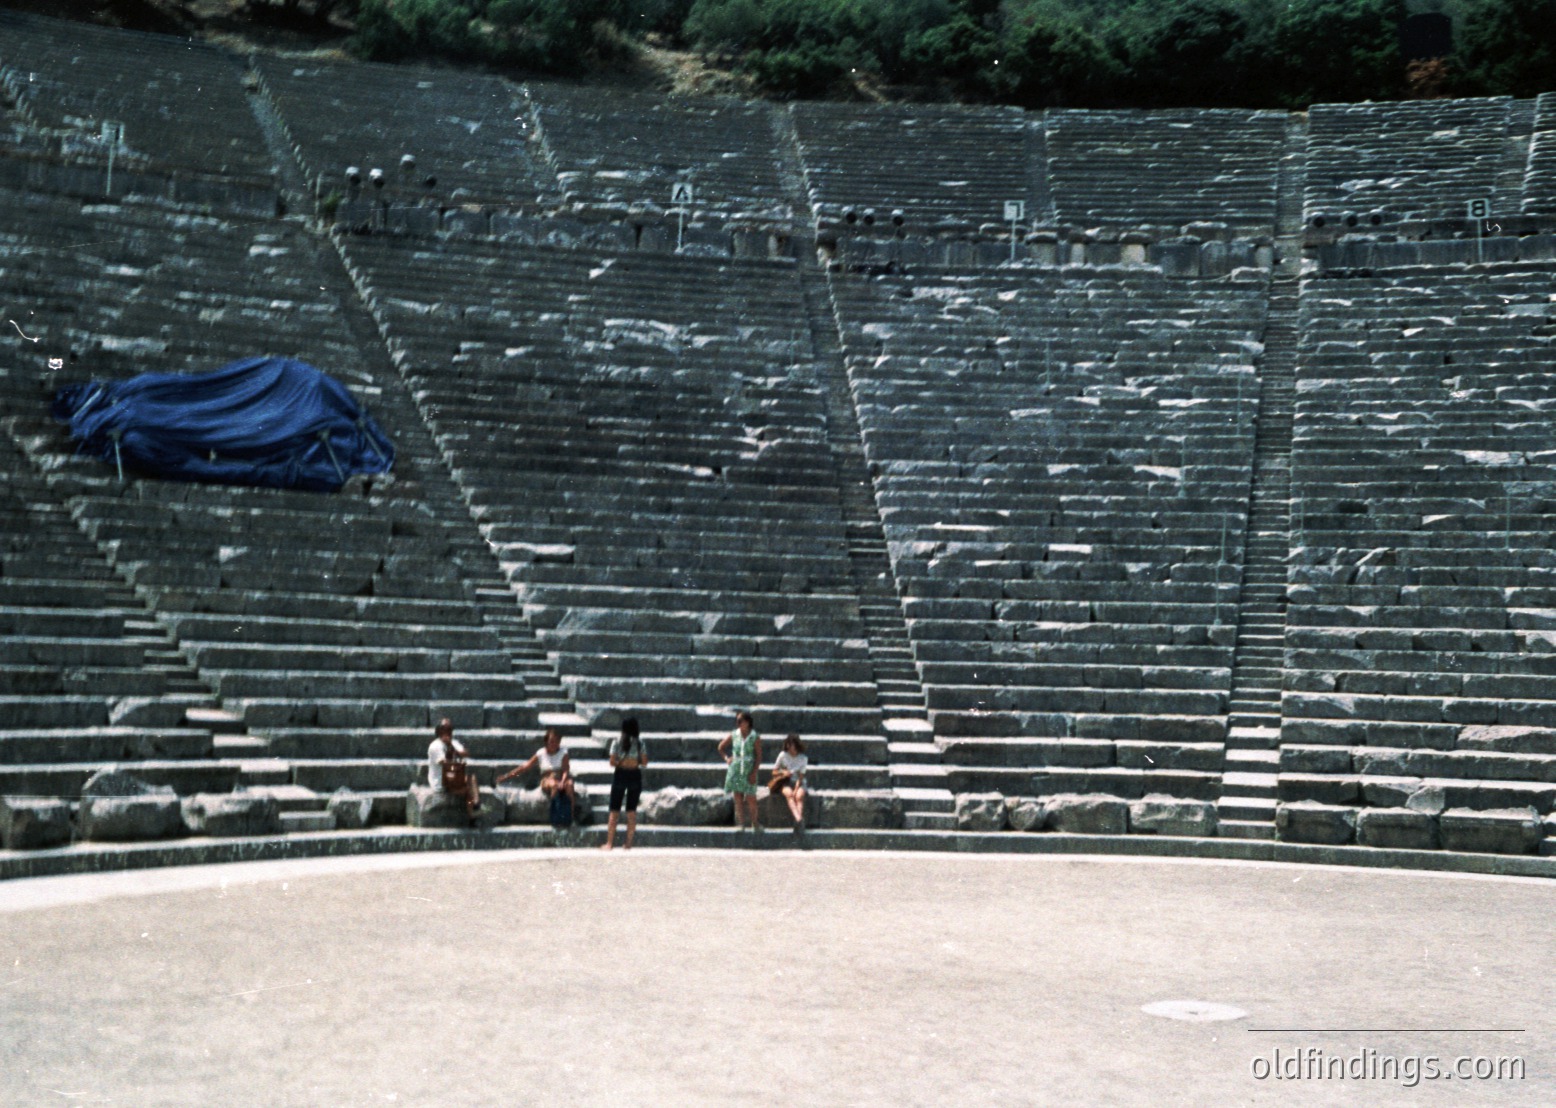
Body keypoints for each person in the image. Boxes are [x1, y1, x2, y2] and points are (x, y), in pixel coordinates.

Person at [497, 727, 577, 810]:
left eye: (557, 741)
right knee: (554, 785)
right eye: (552, 741)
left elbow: (565, 769)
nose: (554, 744)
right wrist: (506, 776)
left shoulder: (563, 752)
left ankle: (570, 816)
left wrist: (563, 781)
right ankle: (556, 815)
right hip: (547, 779)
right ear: (546, 742)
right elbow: (524, 767)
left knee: (570, 785)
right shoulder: (541, 753)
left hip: (562, 777)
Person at [601, 716, 647, 851]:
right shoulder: (640, 743)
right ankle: (628, 844)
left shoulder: (616, 741)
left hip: (620, 774)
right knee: (631, 811)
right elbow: (644, 762)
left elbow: (611, 762)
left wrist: (621, 762)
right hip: (634, 775)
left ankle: (609, 843)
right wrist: (634, 761)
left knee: (614, 810)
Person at [718, 710, 761, 833]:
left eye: (740, 721)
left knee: (751, 797)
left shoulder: (754, 736)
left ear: (747, 722)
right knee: (737, 796)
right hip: (736, 769)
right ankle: (741, 824)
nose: (738, 723)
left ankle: (755, 822)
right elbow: (720, 747)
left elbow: (758, 756)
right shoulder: (734, 734)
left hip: (748, 768)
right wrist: (727, 758)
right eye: (737, 721)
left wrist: (754, 772)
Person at [427, 718, 480, 817]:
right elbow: (446, 764)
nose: (449, 732)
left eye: (450, 729)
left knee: (471, 778)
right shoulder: (435, 746)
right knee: (468, 790)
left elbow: (466, 753)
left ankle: (476, 804)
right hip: (441, 782)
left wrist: (452, 746)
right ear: (439, 731)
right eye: (446, 729)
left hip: (453, 777)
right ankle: (473, 814)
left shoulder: (453, 742)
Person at [769, 734, 809, 834]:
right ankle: (799, 819)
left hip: (798, 782)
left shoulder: (803, 758)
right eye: (788, 745)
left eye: (791, 745)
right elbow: (774, 772)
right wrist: (783, 772)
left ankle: (797, 822)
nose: (789, 748)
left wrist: (796, 788)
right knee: (789, 794)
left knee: (799, 796)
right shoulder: (782, 755)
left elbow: (801, 776)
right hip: (785, 781)